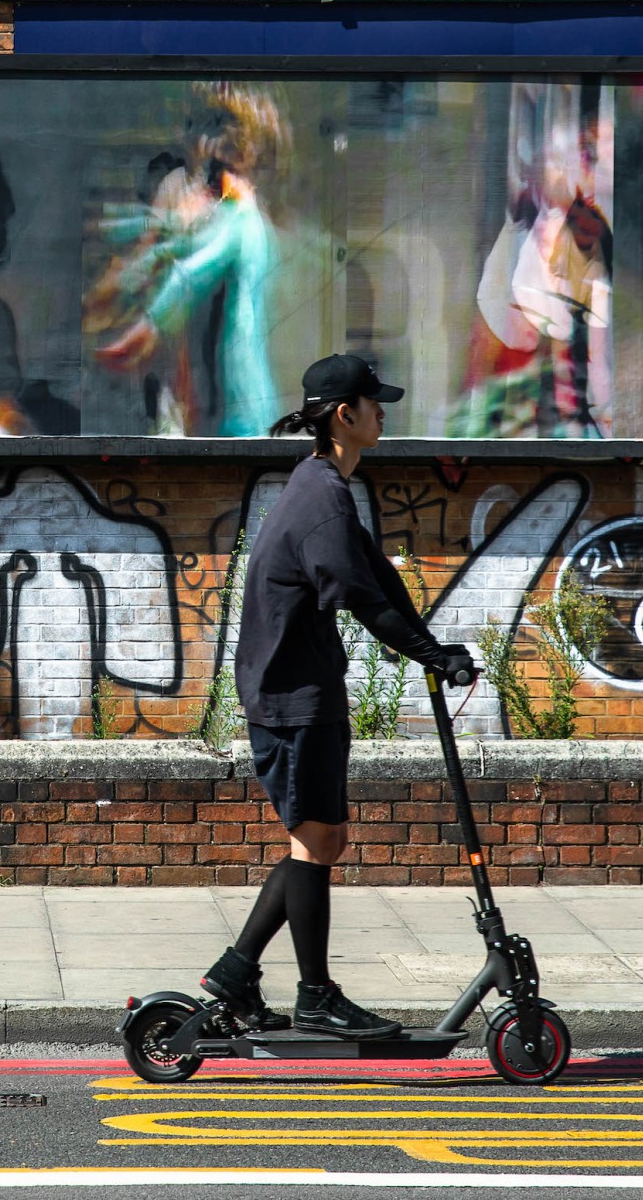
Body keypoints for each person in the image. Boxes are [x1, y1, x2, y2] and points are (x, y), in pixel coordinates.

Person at [202, 353, 476, 1038]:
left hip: (302, 683)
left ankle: (236, 972)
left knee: (321, 838)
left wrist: (433, 646)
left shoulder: (324, 485)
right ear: (344, 415)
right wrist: (427, 653)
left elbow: (379, 578)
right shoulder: (321, 496)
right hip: (291, 693)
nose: (385, 411)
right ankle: (315, 994)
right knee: (315, 839)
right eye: (374, 402)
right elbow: (359, 599)